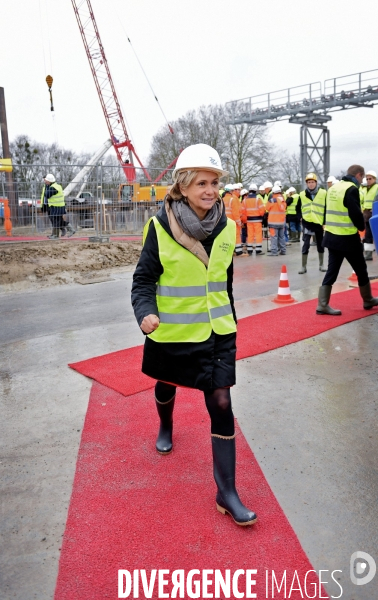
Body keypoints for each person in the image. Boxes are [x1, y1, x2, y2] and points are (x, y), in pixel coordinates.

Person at [131, 143, 257, 527]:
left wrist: (231, 321)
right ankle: (166, 425)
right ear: (183, 187)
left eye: (215, 181)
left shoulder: (228, 226)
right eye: (201, 182)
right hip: (172, 332)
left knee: (220, 402)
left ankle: (227, 492)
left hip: (218, 332)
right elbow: (143, 281)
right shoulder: (158, 227)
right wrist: (145, 312)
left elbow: (224, 282)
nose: (210, 189)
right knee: (166, 383)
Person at [316, 164, 378, 315]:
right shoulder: (351, 189)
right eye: (362, 177)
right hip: (348, 238)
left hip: (331, 236)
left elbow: (328, 211)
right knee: (361, 269)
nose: (362, 180)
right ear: (358, 175)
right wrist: (362, 227)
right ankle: (368, 299)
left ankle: (322, 304)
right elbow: (355, 213)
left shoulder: (334, 188)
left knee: (332, 271)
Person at [297, 173, 327, 274]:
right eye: (309, 182)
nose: (310, 184)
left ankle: (321, 264)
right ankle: (303, 266)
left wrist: (324, 222)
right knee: (305, 245)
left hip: (319, 223)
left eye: (312, 182)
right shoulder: (302, 194)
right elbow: (298, 208)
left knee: (320, 244)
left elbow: (326, 207)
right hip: (307, 223)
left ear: (316, 183)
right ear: (306, 184)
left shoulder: (323, 193)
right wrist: (300, 217)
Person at [40, 174, 75, 239]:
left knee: (56, 220)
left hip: (57, 207)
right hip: (56, 206)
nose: (45, 181)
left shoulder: (53, 187)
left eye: (46, 180)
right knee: (57, 220)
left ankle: (56, 235)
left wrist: (46, 189)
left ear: (49, 181)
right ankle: (67, 230)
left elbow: (47, 195)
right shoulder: (54, 186)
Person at [241, 182, 265, 255]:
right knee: (258, 234)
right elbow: (262, 210)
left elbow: (242, 211)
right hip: (257, 220)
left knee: (250, 234)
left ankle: (249, 250)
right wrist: (261, 216)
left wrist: (245, 220)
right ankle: (258, 250)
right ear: (256, 190)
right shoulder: (258, 199)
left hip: (249, 220)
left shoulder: (244, 200)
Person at [222, 184, 243, 256]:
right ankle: (239, 251)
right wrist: (239, 222)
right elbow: (235, 213)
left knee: (228, 236)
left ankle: (230, 251)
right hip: (233, 222)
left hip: (224, 221)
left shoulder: (222, 199)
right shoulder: (232, 199)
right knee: (236, 236)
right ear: (231, 191)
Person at [265, 185, 286, 255]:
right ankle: (283, 250)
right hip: (281, 222)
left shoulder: (272, 200)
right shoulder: (283, 200)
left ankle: (274, 251)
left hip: (273, 222)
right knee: (281, 237)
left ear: (273, 193)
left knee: (274, 237)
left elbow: (267, 208)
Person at [362, 170, 378, 260]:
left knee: (372, 234)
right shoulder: (365, 189)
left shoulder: (376, 188)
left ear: (374, 179)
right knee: (368, 235)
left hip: (374, 213)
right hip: (367, 214)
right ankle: (368, 254)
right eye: (367, 178)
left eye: (370, 178)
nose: (368, 180)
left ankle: (368, 254)